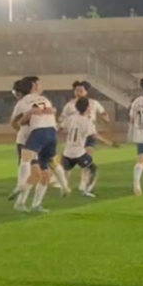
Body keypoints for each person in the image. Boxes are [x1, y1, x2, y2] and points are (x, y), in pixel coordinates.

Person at [10, 76, 66, 213]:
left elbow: (45, 112)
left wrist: (50, 111)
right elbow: (15, 123)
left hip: (39, 141)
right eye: (38, 84)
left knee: (44, 175)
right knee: (35, 174)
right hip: (26, 141)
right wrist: (25, 121)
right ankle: (20, 200)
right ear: (33, 86)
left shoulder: (41, 100)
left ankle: (35, 204)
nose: (40, 86)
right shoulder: (23, 103)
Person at [59, 80, 116, 192]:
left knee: (87, 156)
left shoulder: (94, 103)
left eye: (81, 90)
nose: (78, 92)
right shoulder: (69, 105)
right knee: (73, 161)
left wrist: (103, 118)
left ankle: (83, 183)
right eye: (76, 90)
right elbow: (62, 118)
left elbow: (104, 114)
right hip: (77, 135)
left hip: (89, 133)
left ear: (86, 92)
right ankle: (65, 185)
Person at [60, 97, 100, 197]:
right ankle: (87, 190)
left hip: (67, 151)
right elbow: (94, 135)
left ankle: (64, 189)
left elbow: (61, 127)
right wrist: (109, 143)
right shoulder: (87, 121)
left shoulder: (70, 118)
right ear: (87, 108)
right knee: (93, 169)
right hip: (78, 152)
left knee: (66, 171)